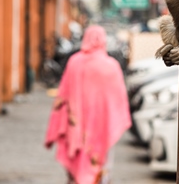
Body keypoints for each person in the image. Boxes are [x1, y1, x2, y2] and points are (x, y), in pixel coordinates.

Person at [45, 25, 131, 184]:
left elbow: (62, 95)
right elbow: (119, 100)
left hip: (76, 128)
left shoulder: (75, 62)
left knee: (76, 169)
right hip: (103, 127)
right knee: (101, 167)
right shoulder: (111, 66)